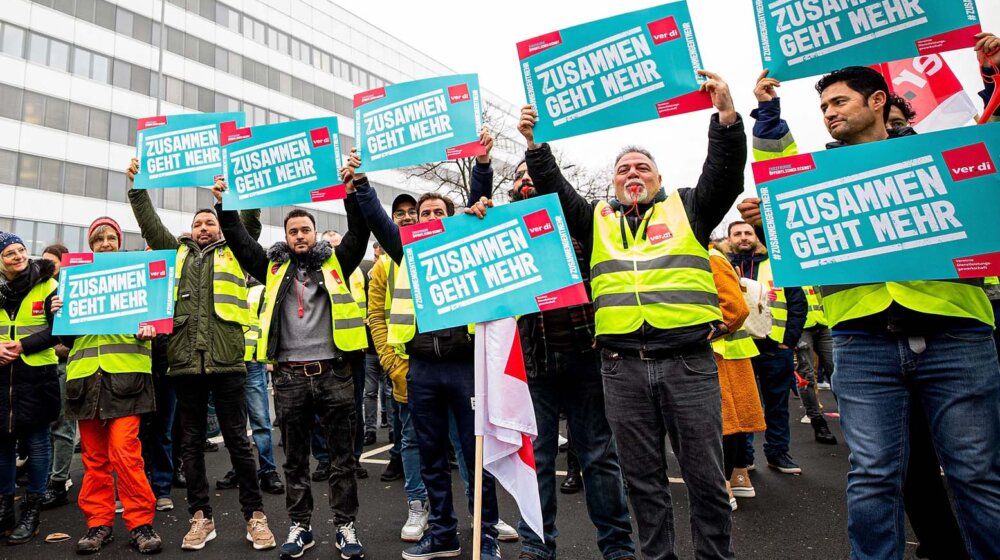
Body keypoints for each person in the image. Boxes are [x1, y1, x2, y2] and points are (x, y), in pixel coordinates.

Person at [739, 60, 1000, 560]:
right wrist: (768, 114)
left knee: (975, 472)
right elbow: (779, 171)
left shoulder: (935, 150)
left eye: (839, 102)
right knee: (873, 473)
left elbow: (987, 151)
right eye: (822, 107)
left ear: (877, 100)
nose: (828, 113)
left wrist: (992, 82)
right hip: (862, 339)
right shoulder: (817, 175)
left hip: (955, 332)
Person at [517, 69, 745, 560]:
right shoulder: (595, 219)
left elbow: (724, 174)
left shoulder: (689, 209)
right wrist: (536, 146)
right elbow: (554, 189)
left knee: (705, 480)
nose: (632, 173)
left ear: (659, 179)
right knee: (643, 482)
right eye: (623, 169)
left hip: (688, 363)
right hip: (621, 369)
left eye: (642, 167)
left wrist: (725, 117)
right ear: (614, 183)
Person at [467, 148, 636, 560]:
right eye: (520, 177)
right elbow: (470, 251)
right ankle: (537, 546)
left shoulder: (580, 223)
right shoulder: (502, 232)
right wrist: (479, 208)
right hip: (532, 363)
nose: (527, 180)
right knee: (537, 459)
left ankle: (618, 548)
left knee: (599, 455)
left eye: (534, 174)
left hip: (586, 355)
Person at [216, 177, 375, 560]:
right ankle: (300, 526)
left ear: (315, 233)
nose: (300, 236)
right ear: (285, 236)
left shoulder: (339, 262)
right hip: (288, 378)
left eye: (305, 230)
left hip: (334, 373)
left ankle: (344, 526)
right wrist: (224, 206)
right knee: (296, 460)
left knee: (341, 459)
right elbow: (239, 240)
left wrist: (353, 192)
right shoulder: (270, 266)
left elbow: (360, 229)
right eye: (293, 231)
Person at [125, 158, 277, 551]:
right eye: (198, 224)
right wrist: (136, 188)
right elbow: (148, 223)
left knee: (238, 443)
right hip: (184, 363)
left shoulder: (237, 251)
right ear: (190, 230)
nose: (204, 228)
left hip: (228, 362)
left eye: (209, 222)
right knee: (189, 444)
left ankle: (255, 517)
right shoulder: (173, 252)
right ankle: (200, 518)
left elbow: (249, 222)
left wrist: (232, 196)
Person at [61, 217, 162, 554]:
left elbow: (158, 319)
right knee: (94, 459)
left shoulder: (140, 279)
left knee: (125, 454)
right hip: (85, 380)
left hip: (126, 378)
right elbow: (62, 336)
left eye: (110, 237)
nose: (105, 243)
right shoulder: (71, 282)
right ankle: (98, 524)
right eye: (98, 239)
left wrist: (149, 328)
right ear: (90, 245)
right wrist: (55, 311)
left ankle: (140, 524)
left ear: (119, 242)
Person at [726, 221, 827, 458]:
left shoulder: (777, 267)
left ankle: (778, 453)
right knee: (743, 408)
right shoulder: (724, 268)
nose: (743, 237)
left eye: (748, 233)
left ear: (756, 237)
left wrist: (788, 342)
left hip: (775, 348)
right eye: (737, 234)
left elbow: (798, 304)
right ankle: (744, 459)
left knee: (777, 407)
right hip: (739, 348)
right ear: (729, 239)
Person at [365, 191, 431, 543]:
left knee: (464, 441)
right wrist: (391, 362)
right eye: (400, 213)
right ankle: (417, 506)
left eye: (412, 212)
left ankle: (480, 512)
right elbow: (375, 315)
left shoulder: (443, 248)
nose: (406, 217)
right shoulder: (383, 264)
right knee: (410, 440)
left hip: (452, 366)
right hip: (408, 369)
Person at [0, 232, 61, 545]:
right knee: (3, 446)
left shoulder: (48, 284)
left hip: (38, 377)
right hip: (2, 379)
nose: (18, 256)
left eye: (21, 250)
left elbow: (58, 331)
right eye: (10, 253)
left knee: (37, 446)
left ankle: (32, 511)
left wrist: (21, 346)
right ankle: (3, 510)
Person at [706, 243, 766, 509]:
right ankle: (740, 477)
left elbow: (735, 309)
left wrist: (704, 334)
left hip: (722, 352)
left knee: (725, 422)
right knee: (735, 420)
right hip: (731, 351)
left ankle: (725, 487)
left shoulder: (709, 257)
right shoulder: (715, 255)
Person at [216, 275, 285, 497]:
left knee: (260, 421)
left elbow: (267, 324)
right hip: (228, 363)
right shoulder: (224, 287)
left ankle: (268, 471)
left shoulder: (260, 290)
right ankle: (240, 470)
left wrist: (261, 357)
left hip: (252, 363)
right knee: (234, 425)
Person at [38, 243, 78, 510]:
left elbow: (70, 339)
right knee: (42, 428)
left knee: (62, 427)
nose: (45, 267)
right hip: (39, 369)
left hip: (62, 367)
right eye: (43, 262)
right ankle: (43, 479)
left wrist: (47, 345)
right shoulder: (38, 291)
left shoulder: (70, 291)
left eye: (52, 262)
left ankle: (58, 482)